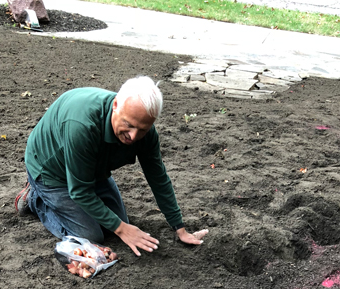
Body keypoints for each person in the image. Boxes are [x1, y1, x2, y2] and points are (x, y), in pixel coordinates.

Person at [16, 76, 207, 256]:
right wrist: (122, 229)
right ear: (115, 105)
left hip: (91, 168)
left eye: (142, 129)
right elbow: (80, 191)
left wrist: (179, 228)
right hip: (51, 170)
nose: (133, 136)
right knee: (91, 236)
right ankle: (35, 198)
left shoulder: (145, 132)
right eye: (128, 125)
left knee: (116, 223)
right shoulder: (82, 126)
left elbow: (158, 178)